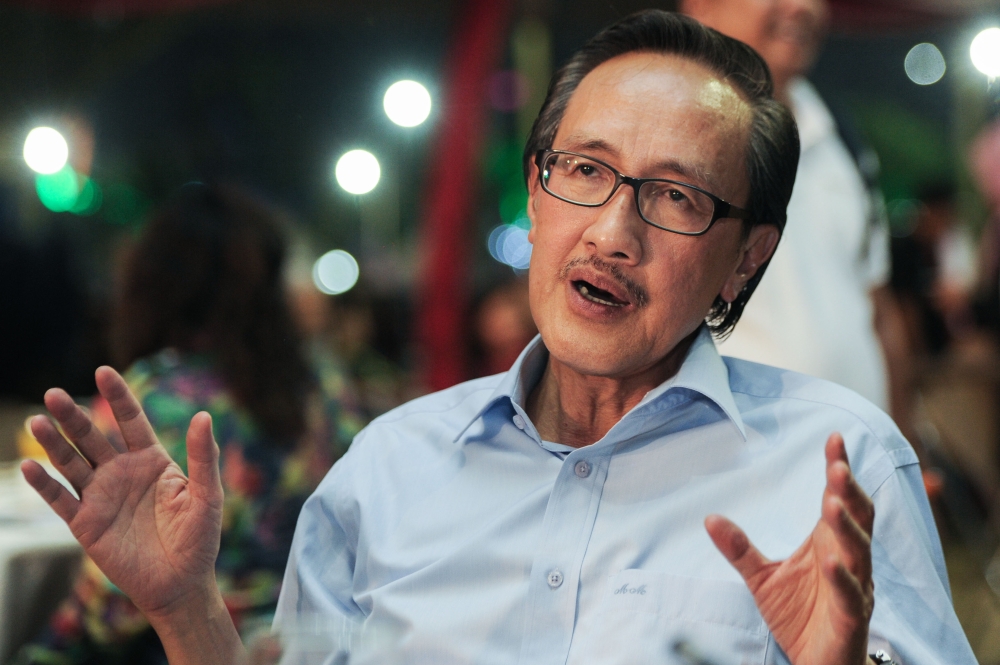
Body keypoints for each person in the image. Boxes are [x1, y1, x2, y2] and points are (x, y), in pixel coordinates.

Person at [21, 11, 974, 665]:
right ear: (534, 191)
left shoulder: (834, 467)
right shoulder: (388, 468)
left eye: (675, 196)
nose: (612, 229)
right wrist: (183, 611)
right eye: (585, 171)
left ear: (745, 258)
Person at [15, 184, 355, 665]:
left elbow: (113, 601)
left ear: (151, 285)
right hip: (311, 640)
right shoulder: (324, 385)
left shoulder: (152, 396)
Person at [680, 0, 913, 428]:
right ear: (702, 6)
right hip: (727, 473)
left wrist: (904, 453)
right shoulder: (672, 135)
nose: (803, 6)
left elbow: (878, 310)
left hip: (858, 470)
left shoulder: (839, 135)